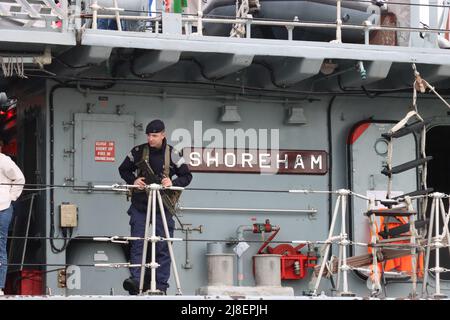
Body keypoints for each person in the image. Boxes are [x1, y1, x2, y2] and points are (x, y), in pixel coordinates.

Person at [118, 119, 192, 295]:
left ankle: (161, 286)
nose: (151, 139)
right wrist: (133, 181)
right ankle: (136, 281)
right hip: (140, 205)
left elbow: (187, 176)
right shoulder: (138, 152)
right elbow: (123, 169)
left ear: (163, 135)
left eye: (154, 135)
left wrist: (171, 181)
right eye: (149, 135)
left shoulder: (173, 154)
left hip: (162, 206)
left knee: (163, 246)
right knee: (137, 243)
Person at [0, 136, 25, 295]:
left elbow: (20, 178)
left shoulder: (3, 160)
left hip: (2, 207)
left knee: (0, 245)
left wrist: (10, 197)